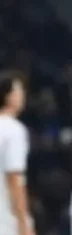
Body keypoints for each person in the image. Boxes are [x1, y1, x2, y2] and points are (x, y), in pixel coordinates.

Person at [0, 72, 31, 235]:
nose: (23, 95)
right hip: (5, 219)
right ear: (8, 96)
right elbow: (14, 179)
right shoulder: (13, 130)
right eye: (19, 91)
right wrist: (23, 222)